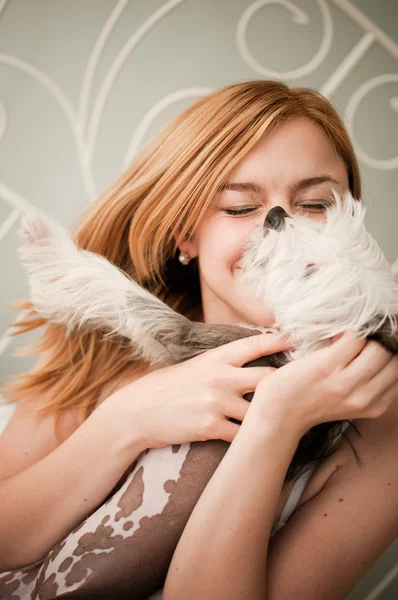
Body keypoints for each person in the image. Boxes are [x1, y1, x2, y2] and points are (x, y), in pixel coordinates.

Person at [0, 80, 397, 600]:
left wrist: (275, 423)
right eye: (238, 208)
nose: (279, 227)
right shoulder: (103, 351)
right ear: (187, 234)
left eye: (316, 203)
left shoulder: (379, 432)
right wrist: (130, 416)